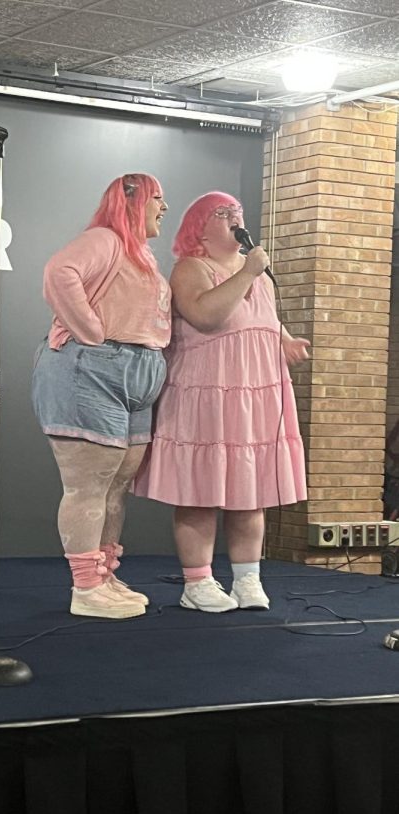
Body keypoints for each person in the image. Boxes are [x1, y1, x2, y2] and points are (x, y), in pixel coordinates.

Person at [134, 191, 308, 611]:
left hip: (256, 393)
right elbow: (207, 315)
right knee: (199, 490)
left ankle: (248, 579)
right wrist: (248, 273)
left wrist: (286, 342)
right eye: (224, 213)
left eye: (238, 212)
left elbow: (262, 322)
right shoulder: (191, 268)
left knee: (252, 492)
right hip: (205, 394)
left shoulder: (261, 277)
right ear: (200, 225)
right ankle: (198, 583)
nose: (236, 218)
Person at [31, 173, 171, 620]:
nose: (163, 208)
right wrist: (89, 329)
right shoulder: (105, 239)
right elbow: (59, 271)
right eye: (157, 199)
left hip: (135, 375)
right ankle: (86, 587)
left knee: (116, 487)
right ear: (132, 202)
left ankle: (103, 574)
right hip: (92, 372)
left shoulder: (140, 253)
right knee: (88, 486)